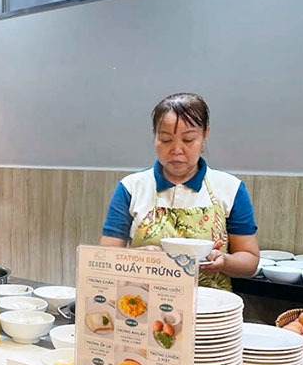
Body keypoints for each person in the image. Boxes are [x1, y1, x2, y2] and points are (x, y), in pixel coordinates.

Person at [100, 92, 259, 290]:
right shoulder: (131, 188)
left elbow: (250, 261)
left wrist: (224, 261)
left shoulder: (230, 188)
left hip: (211, 303)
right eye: (166, 140)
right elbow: (105, 257)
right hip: (143, 302)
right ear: (155, 136)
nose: (176, 149)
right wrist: (139, 257)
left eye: (188, 139)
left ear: (205, 135)